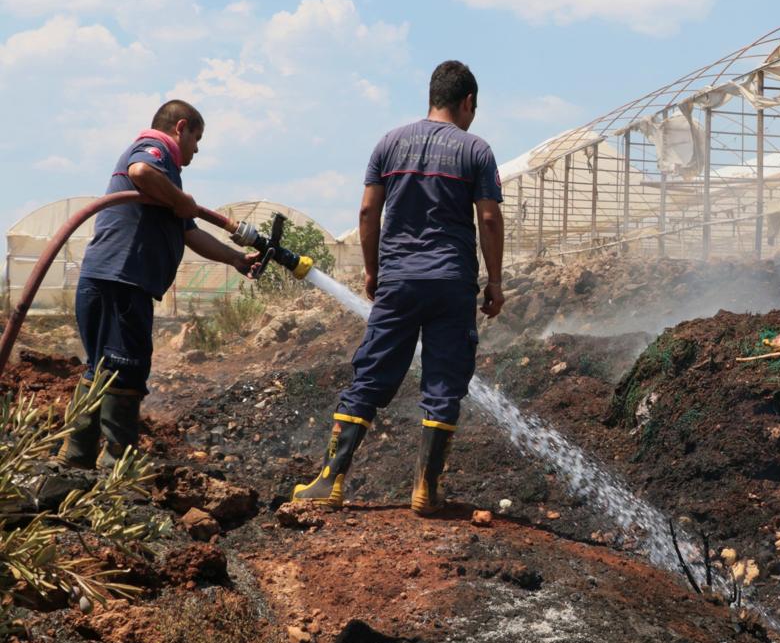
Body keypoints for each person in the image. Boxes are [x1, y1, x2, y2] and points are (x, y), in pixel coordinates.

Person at [293, 60, 505, 514]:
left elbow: (369, 213)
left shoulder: (388, 144)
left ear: (432, 97)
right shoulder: (476, 151)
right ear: (467, 102)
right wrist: (496, 282)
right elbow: (488, 217)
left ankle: (330, 481)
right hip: (452, 282)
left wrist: (372, 271)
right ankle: (426, 491)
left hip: (399, 281)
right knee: (444, 383)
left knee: (370, 375)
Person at [58, 100, 258, 468]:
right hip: (123, 279)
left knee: (101, 368)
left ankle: (73, 464)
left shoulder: (168, 180)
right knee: (126, 367)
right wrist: (181, 199)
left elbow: (189, 232)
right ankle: (116, 474)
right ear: (180, 128)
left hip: (109, 278)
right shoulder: (156, 150)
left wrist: (234, 259)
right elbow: (140, 171)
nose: (197, 149)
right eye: (197, 139)